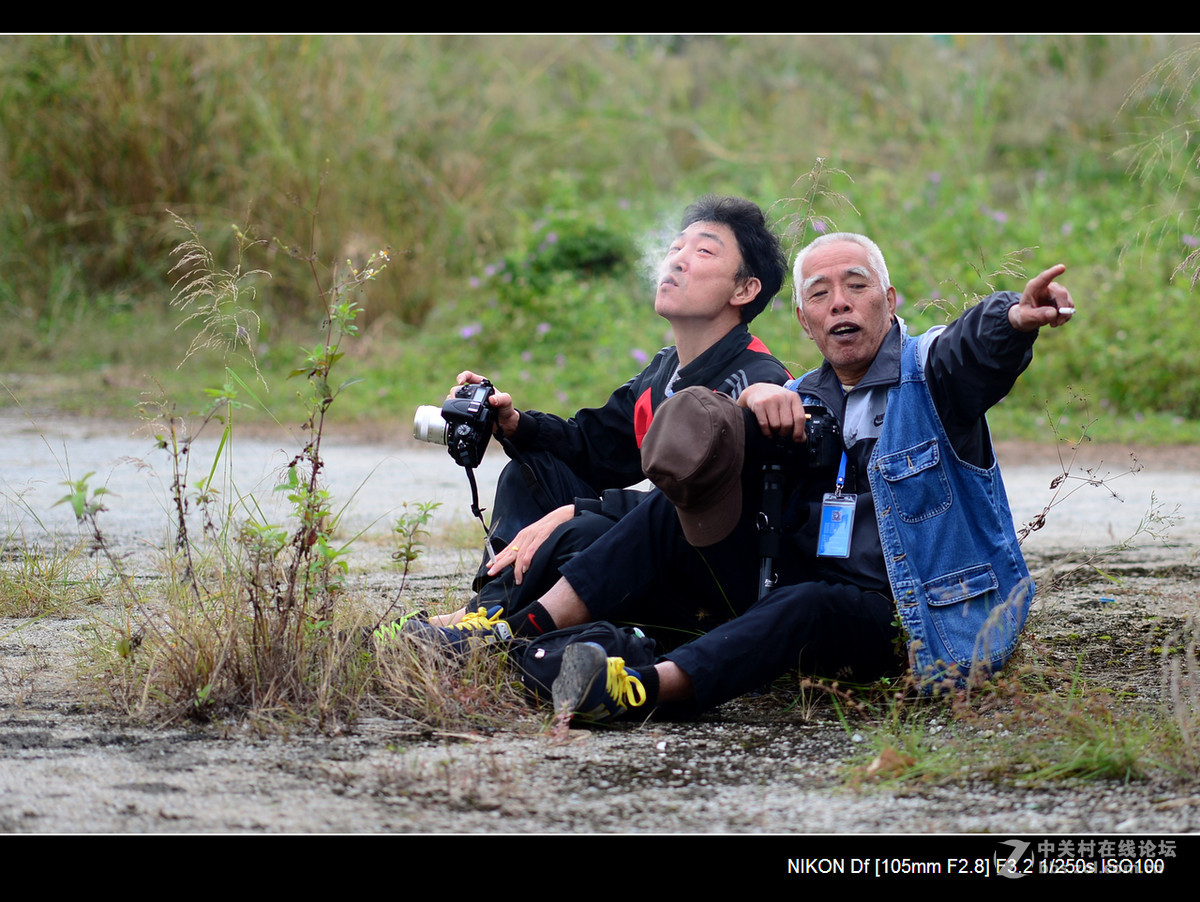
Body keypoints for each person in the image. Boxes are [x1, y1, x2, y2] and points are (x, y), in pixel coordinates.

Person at [504, 231, 1075, 723]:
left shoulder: (932, 374)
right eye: (820, 295)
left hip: (904, 615)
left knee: (810, 604)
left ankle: (637, 691)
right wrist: (751, 401)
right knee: (671, 512)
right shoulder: (798, 397)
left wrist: (1014, 321)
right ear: (804, 320)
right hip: (792, 585)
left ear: (889, 298)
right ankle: (514, 630)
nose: (839, 304)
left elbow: (972, 349)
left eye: (856, 286)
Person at [423, 195, 791, 639]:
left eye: (704, 251)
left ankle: (493, 625)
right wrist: (516, 423)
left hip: (710, 580)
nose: (677, 261)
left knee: (580, 533)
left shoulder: (758, 381)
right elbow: (593, 448)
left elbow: (708, 512)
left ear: (744, 289)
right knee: (529, 473)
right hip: (651, 548)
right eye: (675, 248)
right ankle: (485, 611)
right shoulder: (663, 371)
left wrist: (575, 511)